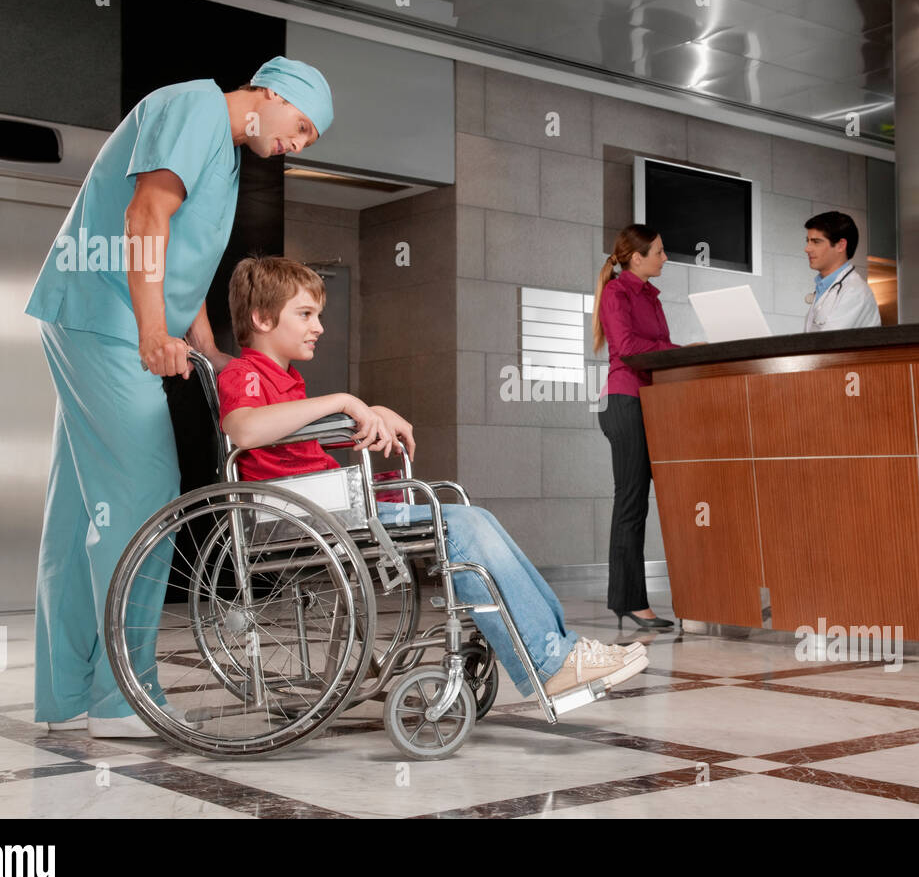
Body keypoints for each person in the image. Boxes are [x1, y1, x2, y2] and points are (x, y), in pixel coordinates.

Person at [25, 57, 338, 738]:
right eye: (303, 126)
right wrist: (148, 332)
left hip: (91, 317)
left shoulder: (221, 156)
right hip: (107, 321)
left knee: (85, 505)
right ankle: (120, 697)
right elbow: (146, 215)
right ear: (273, 93)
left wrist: (203, 343)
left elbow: (184, 261)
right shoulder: (196, 107)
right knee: (143, 496)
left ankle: (66, 695)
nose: (301, 143)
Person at [215, 256, 648, 705]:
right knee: (460, 526)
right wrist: (344, 401)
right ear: (262, 318)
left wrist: (370, 412)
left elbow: (295, 435)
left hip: (327, 506)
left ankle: (561, 650)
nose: (318, 327)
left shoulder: (287, 380)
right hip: (302, 513)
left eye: (318, 315)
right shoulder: (242, 373)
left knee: (471, 517)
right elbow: (244, 428)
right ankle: (549, 660)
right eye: (305, 315)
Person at [592, 224, 678, 631]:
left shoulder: (651, 297)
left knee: (639, 504)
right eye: (659, 251)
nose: (665, 258)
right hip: (625, 402)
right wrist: (680, 351)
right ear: (637, 257)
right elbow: (627, 349)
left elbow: (653, 348)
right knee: (631, 503)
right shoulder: (617, 292)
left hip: (651, 401)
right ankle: (629, 600)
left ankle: (630, 599)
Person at [803, 210, 881, 332]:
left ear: (840, 245)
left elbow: (829, 343)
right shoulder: (824, 288)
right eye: (807, 241)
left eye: (816, 242)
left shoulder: (855, 291)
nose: (807, 249)